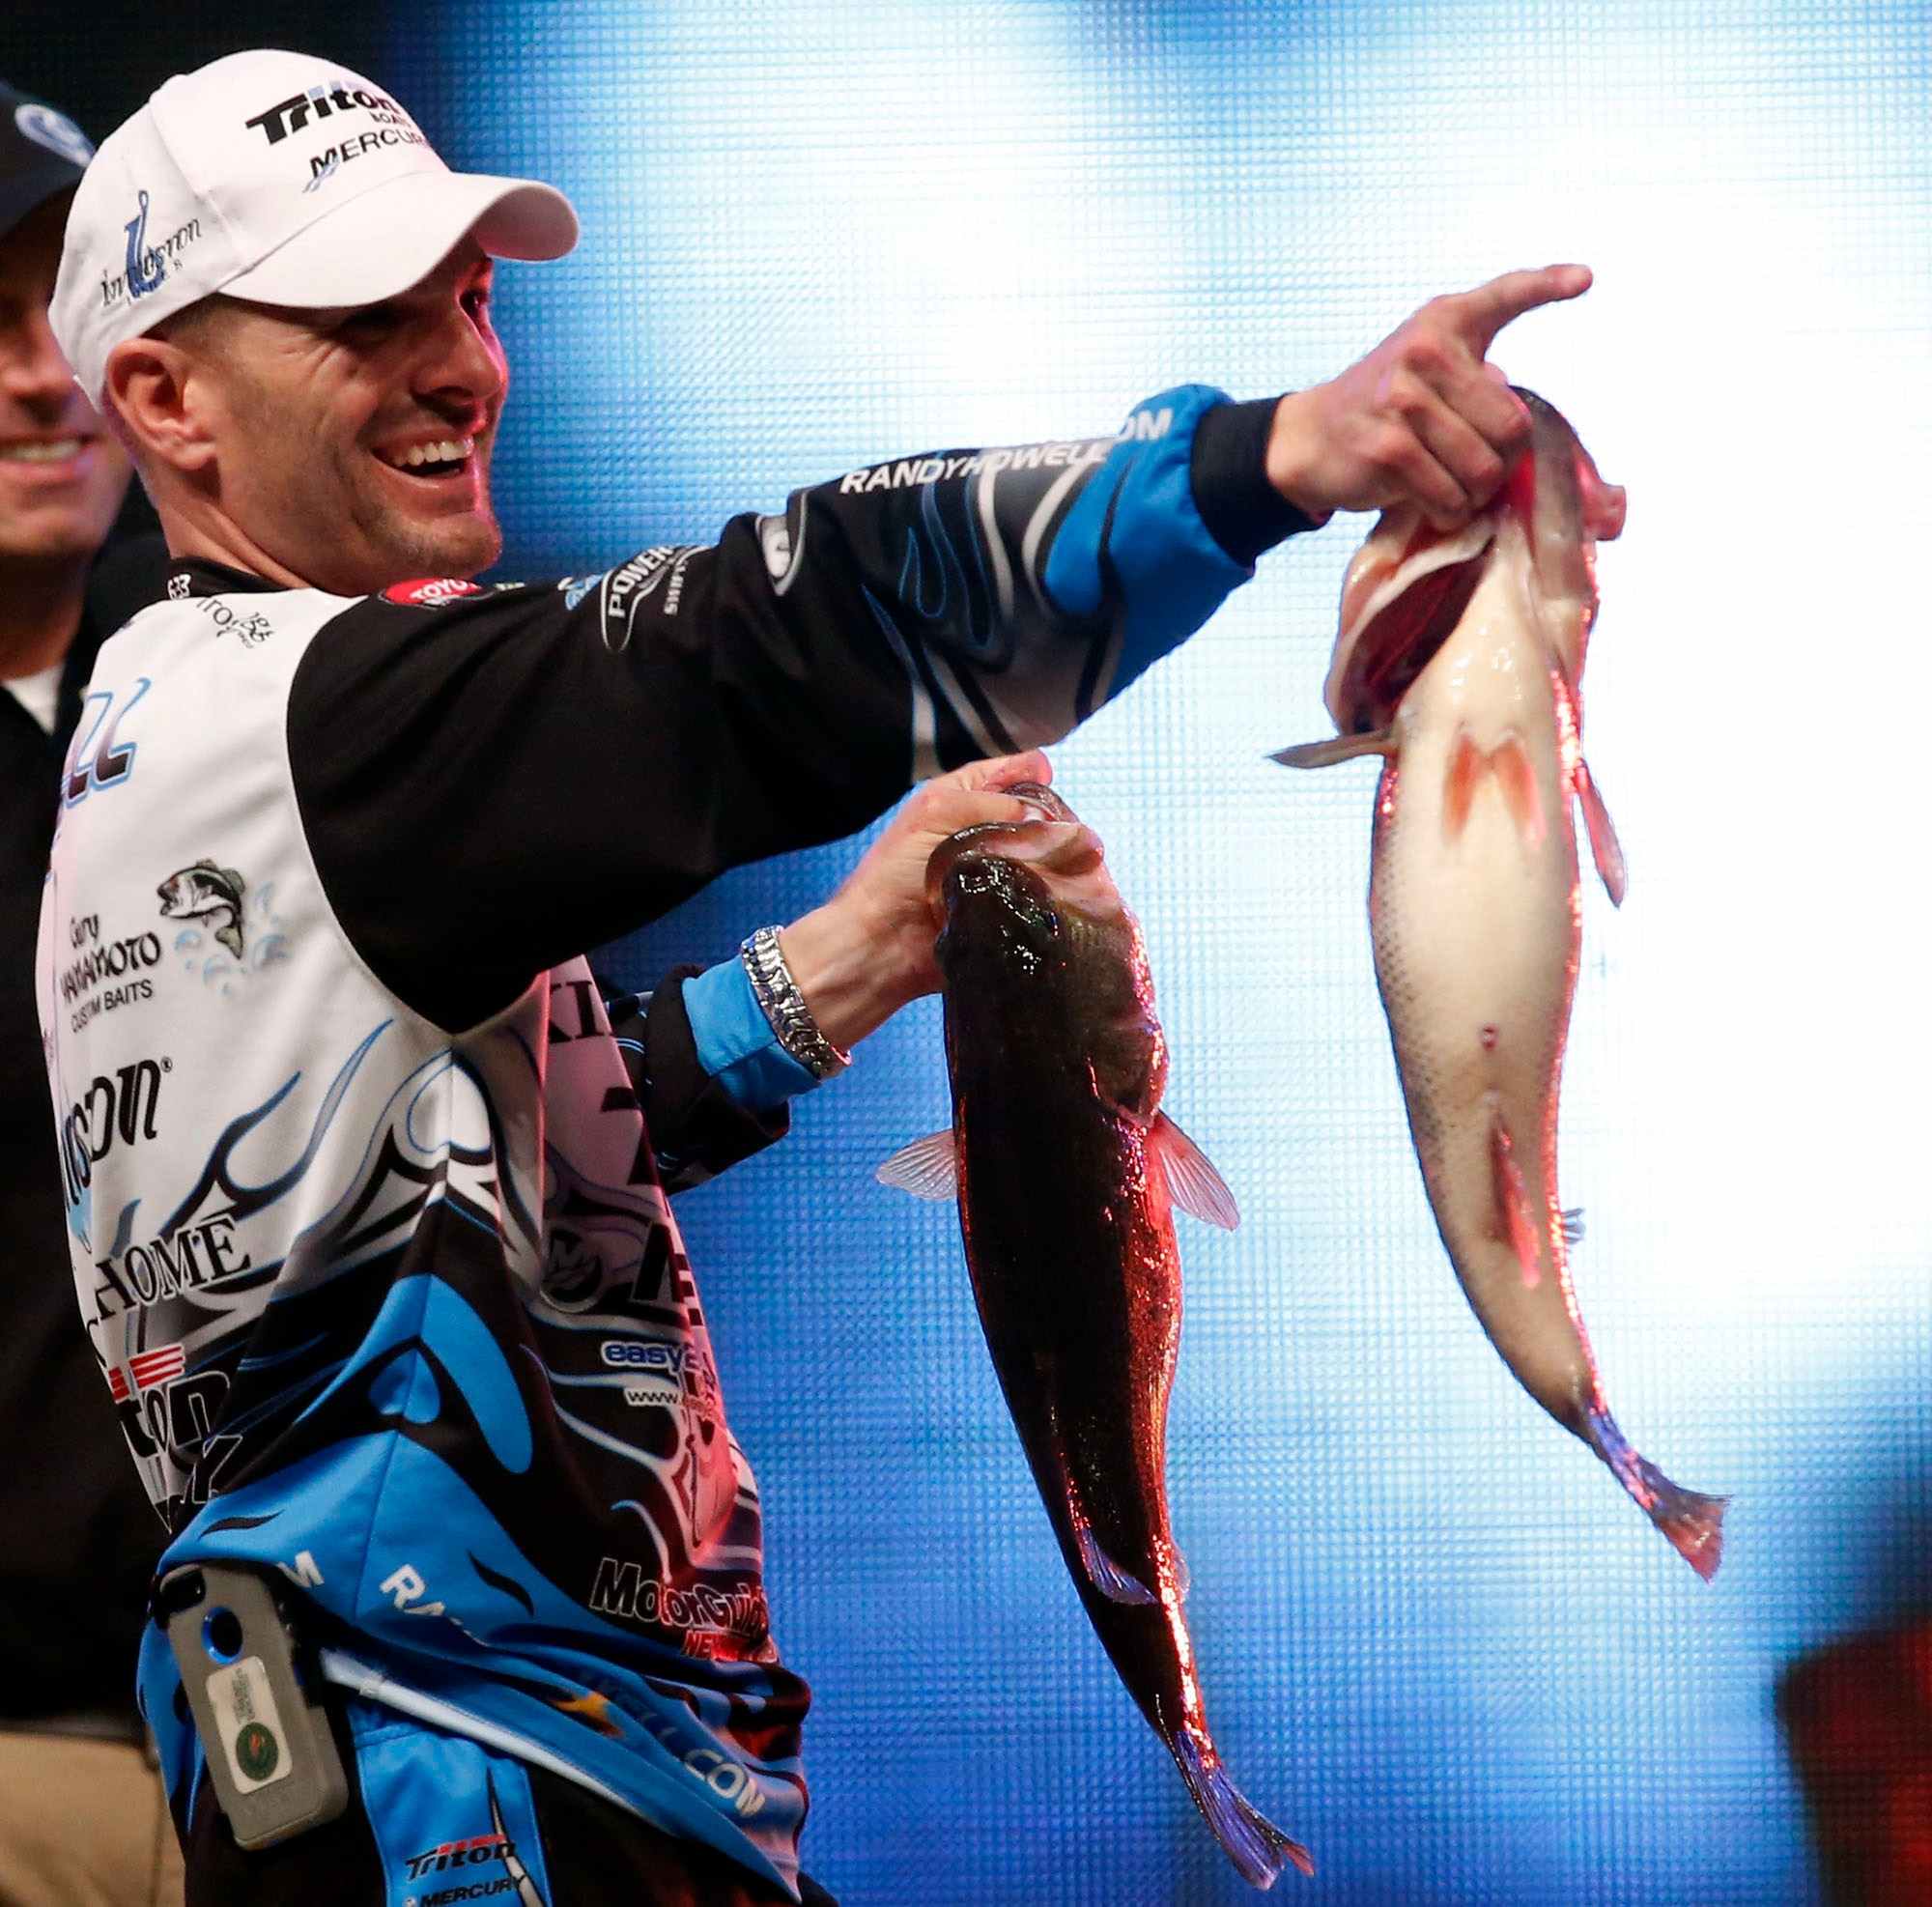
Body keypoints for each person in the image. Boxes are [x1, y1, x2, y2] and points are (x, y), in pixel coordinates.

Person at [40, 45, 1589, 1907]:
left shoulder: (181, 743)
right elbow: (763, 635)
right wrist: (1264, 462)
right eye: (368, 318)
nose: (462, 364)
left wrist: (830, 972)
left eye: (469, 301)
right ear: (166, 398)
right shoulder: (318, 714)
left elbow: (441, 1184)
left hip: (499, 1777)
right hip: (473, 1800)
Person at [0, 78, 182, 1907]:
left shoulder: (277, 704)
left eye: (64, 311)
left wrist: (818, 973)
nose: (42, 379)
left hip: (320, 1749)